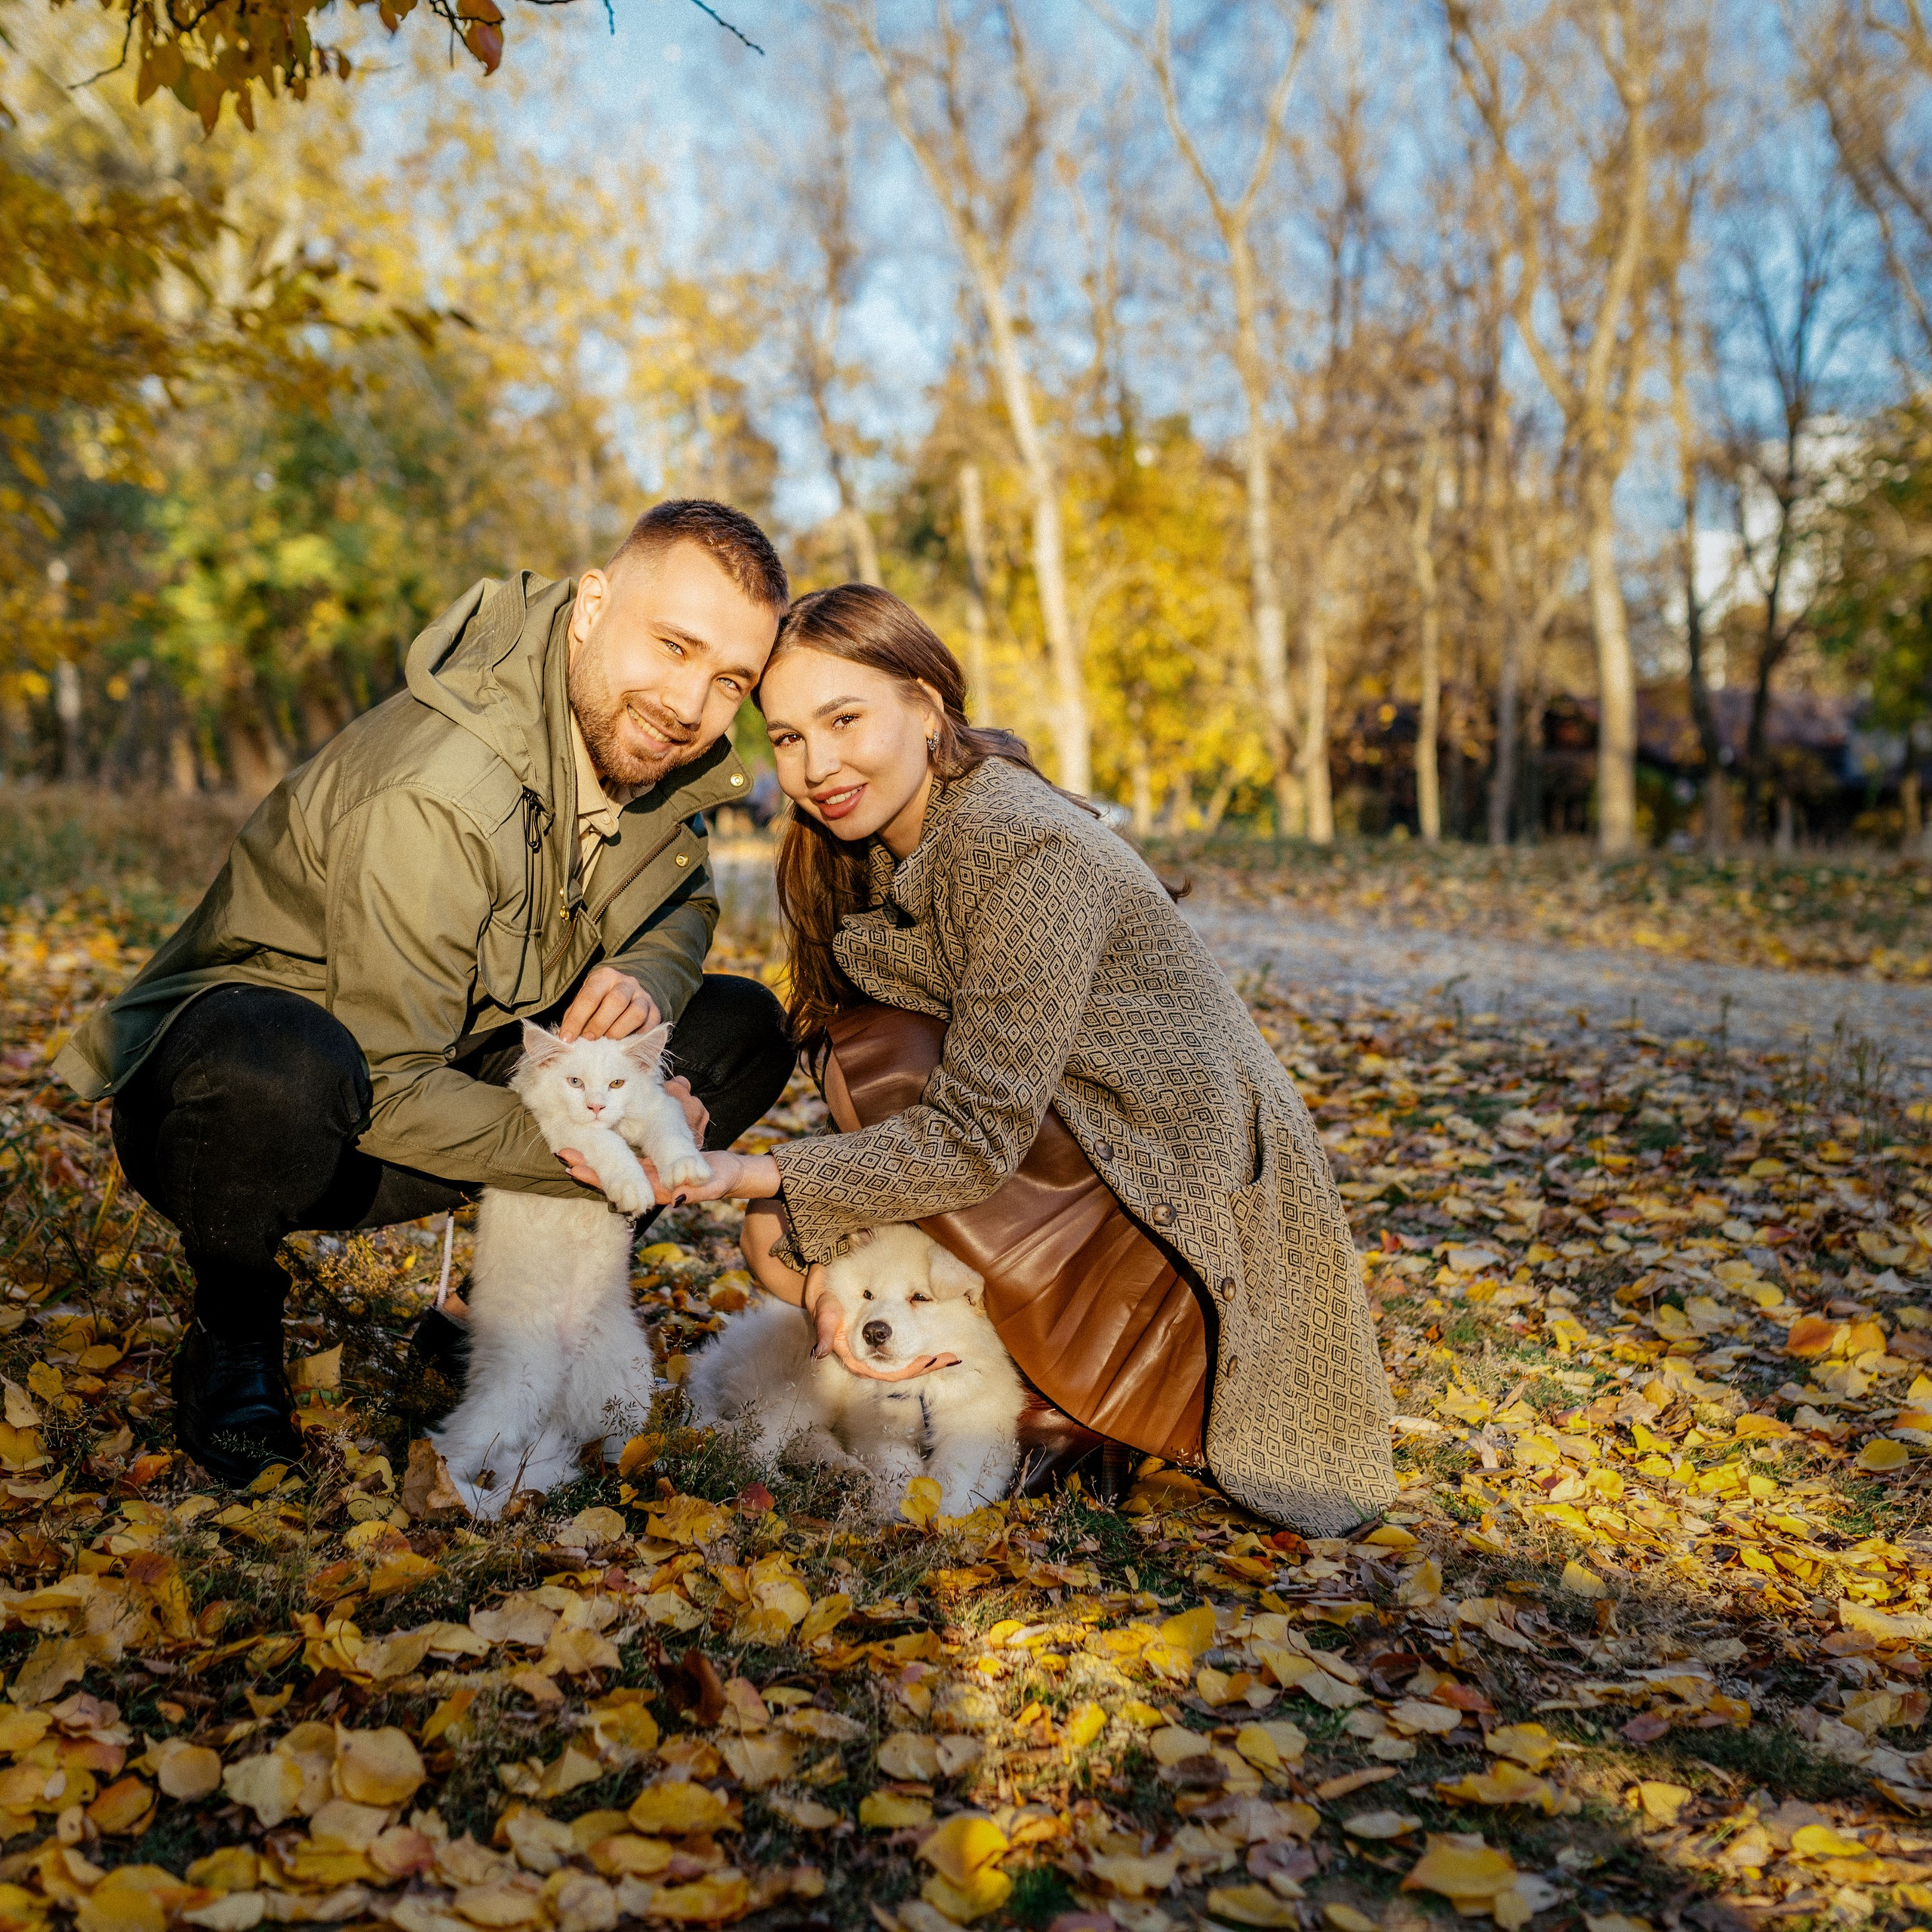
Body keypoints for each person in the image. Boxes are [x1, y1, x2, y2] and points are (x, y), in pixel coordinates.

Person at [54, 500, 799, 1484]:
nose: (690, 704)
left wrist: (646, 979)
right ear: (591, 607)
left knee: (741, 1028)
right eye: (672, 646)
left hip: (443, 1069)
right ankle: (232, 1332)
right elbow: (388, 1077)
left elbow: (686, 896)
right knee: (278, 1063)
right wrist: (614, 1140)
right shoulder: (442, 789)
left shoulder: (642, 745)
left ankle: (492, 1316)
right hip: (255, 1111)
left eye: (728, 681)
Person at [649, 583, 1395, 1536]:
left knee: (877, 1068)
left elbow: (971, 1131)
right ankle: (987, 1355)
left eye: (843, 718)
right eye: (787, 737)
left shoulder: (1020, 846)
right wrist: (798, 1220)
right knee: (847, 1091)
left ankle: (1063, 1395)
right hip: (1082, 1148)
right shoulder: (867, 846)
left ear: (926, 705)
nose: (814, 765)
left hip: (1189, 1210)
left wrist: (760, 1175)